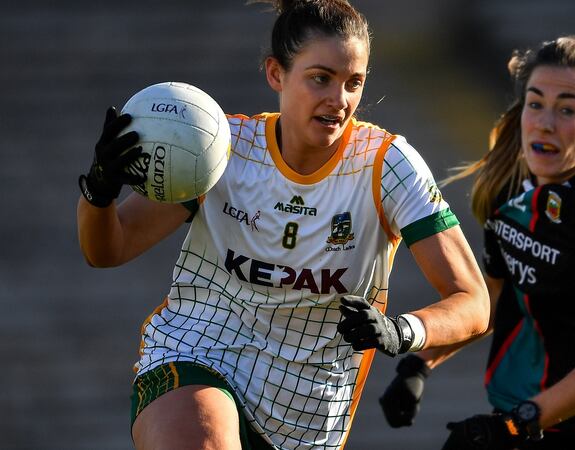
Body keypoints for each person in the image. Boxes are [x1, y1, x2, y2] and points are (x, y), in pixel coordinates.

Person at [76, 1, 490, 449]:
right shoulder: (221, 151)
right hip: (198, 353)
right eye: (320, 78)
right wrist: (99, 191)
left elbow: (473, 301)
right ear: (276, 74)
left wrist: (400, 331)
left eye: (354, 83)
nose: (339, 100)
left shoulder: (387, 166)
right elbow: (108, 250)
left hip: (306, 417)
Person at [379, 35, 575, 449]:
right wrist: (419, 364)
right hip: (546, 417)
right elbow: (491, 296)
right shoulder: (512, 182)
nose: (545, 122)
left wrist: (518, 423)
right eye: (536, 103)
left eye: (567, 109)